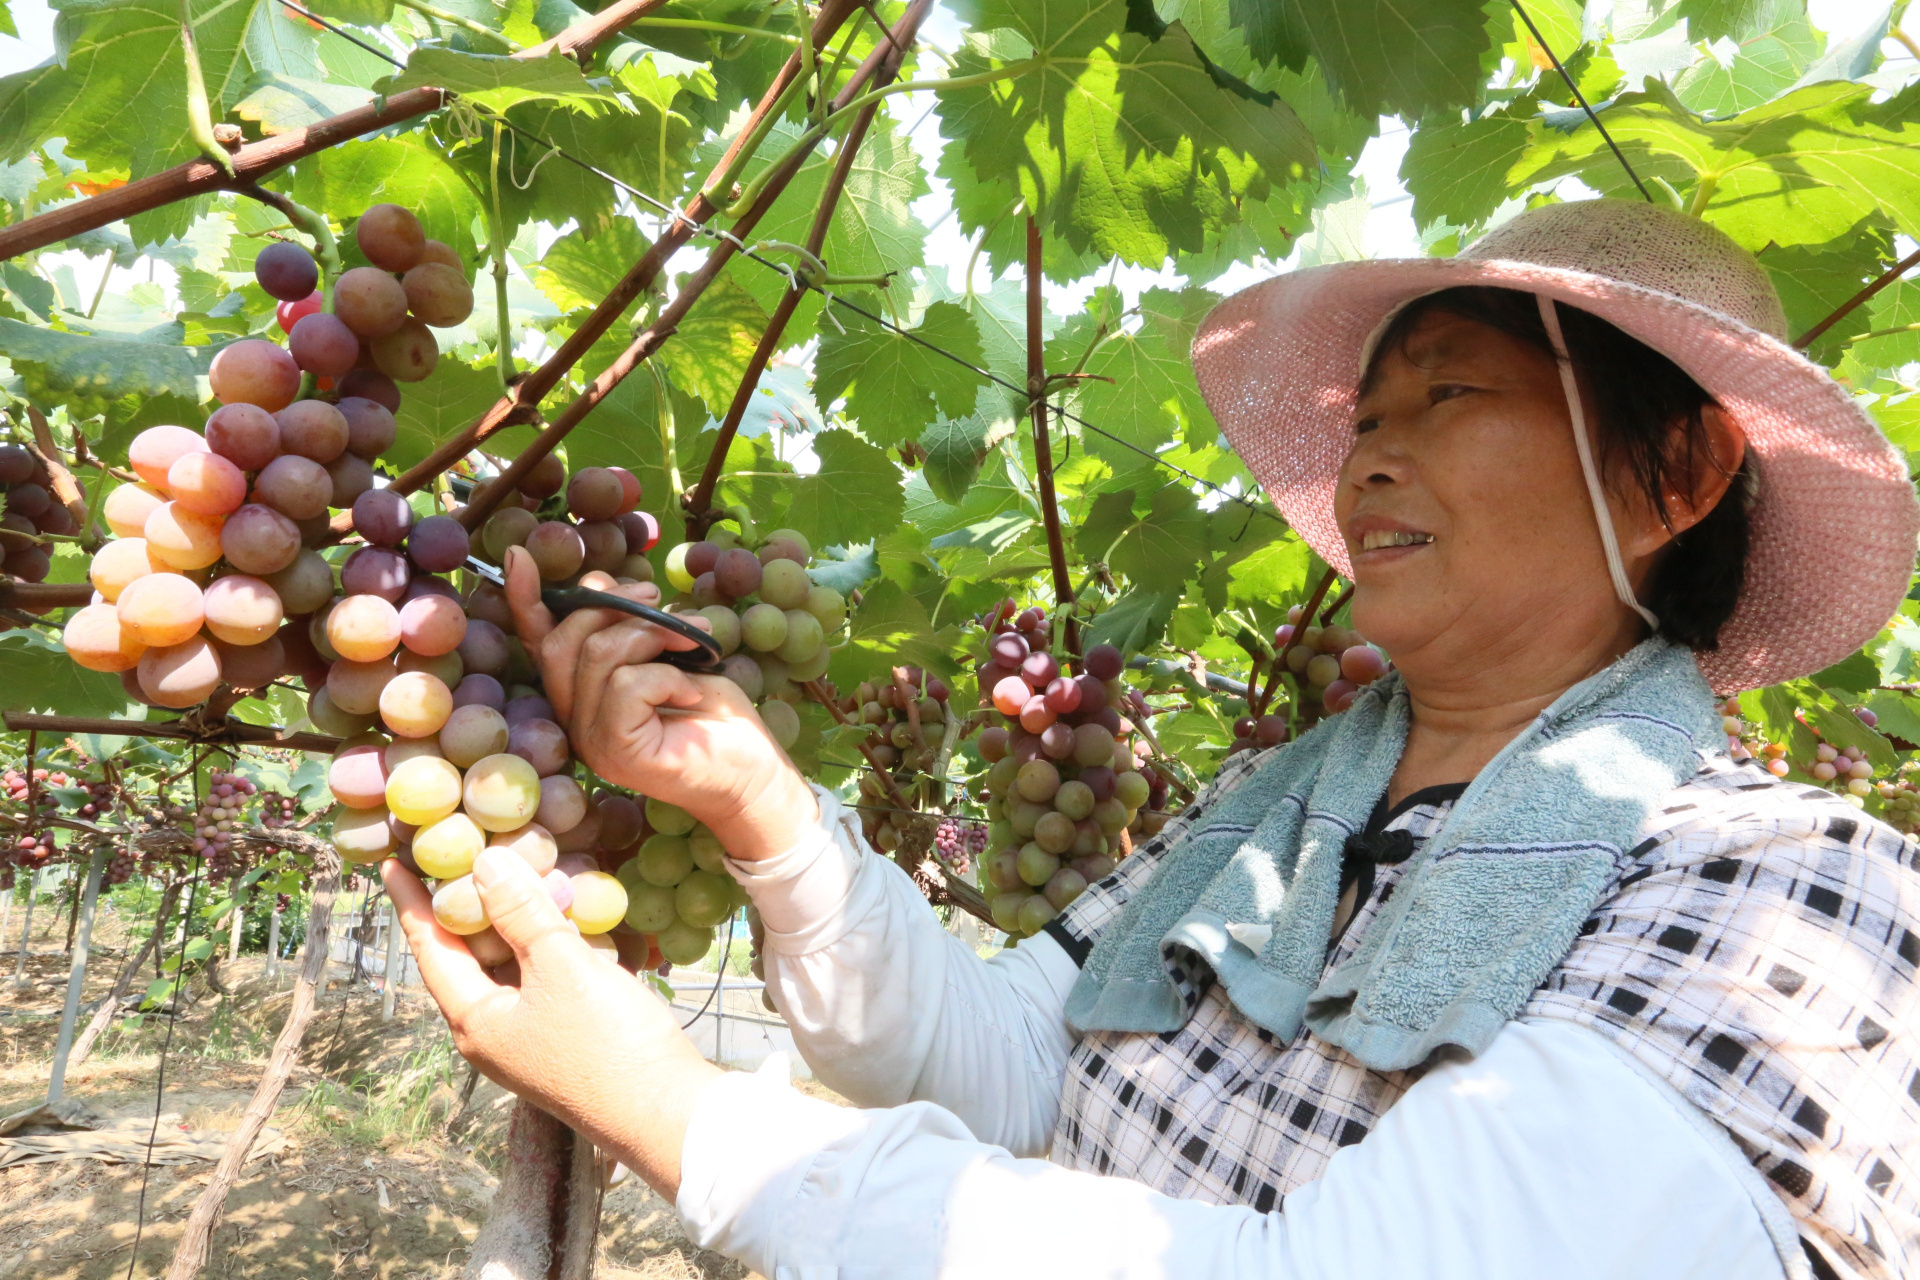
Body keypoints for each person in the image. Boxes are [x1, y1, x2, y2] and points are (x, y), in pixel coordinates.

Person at [385, 199, 1920, 1280]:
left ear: (1681, 471)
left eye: (1447, 394)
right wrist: (762, 811)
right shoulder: (1274, 815)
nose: (1371, 458)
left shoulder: (1785, 894)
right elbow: (1002, 1070)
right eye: (1366, 418)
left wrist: (684, 1114)